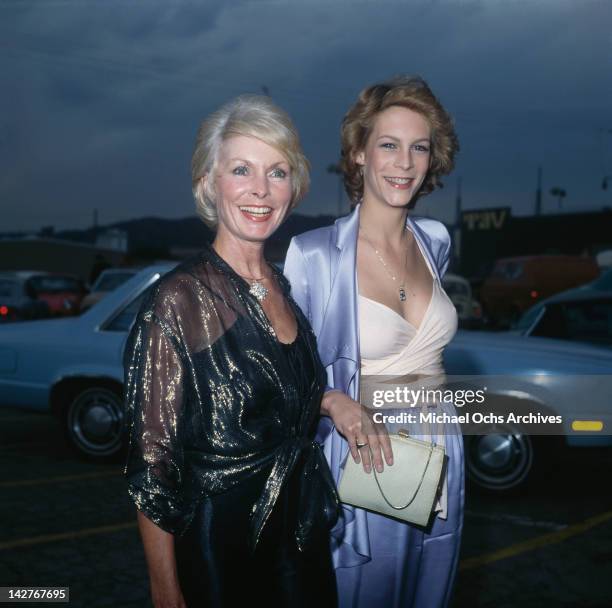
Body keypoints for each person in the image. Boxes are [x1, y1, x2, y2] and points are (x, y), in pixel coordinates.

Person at [124, 95, 339, 608]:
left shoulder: (281, 287)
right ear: (208, 183)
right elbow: (152, 461)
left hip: (300, 538)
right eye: (241, 169)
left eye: (278, 172)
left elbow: (285, 402)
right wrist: (164, 586)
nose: (261, 190)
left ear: (295, 187)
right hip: (220, 551)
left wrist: (331, 401)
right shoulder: (180, 300)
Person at [284, 76, 463, 608]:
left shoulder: (436, 241)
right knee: (364, 593)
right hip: (369, 453)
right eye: (388, 144)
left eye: (419, 147)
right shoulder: (315, 254)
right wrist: (332, 400)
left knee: (428, 591)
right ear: (358, 154)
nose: (404, 162)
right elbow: (285, 374)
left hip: (442, 444)